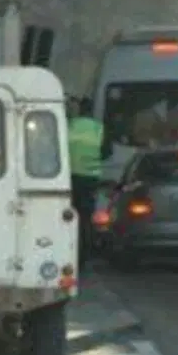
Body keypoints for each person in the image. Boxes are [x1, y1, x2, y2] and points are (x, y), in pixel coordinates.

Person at [67, 97, 105, 249]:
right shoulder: (98, 128)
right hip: (91, 177)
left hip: (72, 176)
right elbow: (107, 151)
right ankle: (87, 246)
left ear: (80, 110)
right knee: (87, 214)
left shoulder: (70, 125)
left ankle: (72, 244)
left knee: (71, 212)